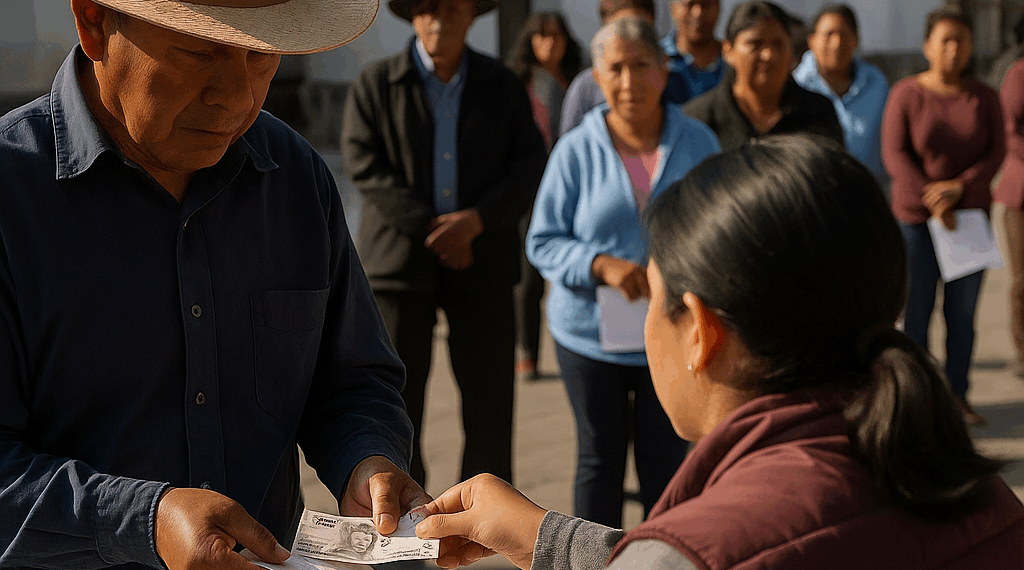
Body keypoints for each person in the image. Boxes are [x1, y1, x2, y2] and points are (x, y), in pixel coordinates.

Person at [413, 135, 1024, 570]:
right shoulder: (983, 497)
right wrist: (543, 537)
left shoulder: (699, 547)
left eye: (655, 296)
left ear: (700, 331)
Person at [0, 0, 426, 568]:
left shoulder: (295, 180)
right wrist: (144, 521)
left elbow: (351, 377)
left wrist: (367, 457)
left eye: (262, 55)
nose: (237, 96)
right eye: (198, 53)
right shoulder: (10, 197)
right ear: (94, 23)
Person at [341, 0, 547, 488]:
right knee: (393, 405)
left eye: (451, 8)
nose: (439, 19)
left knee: (490, 403)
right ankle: (401, 532)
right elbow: (363, 162)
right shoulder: (376, 83)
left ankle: (485, 521)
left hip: (484, 260)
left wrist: (476, 222)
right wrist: (432, 227)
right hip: (400, 264)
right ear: (412, 16)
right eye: (427, 7)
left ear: (472, 16)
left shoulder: (502, 85)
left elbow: (529, 163)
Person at [526, 17, 720, 529]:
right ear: (598, 76)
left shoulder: (699, 143)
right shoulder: (575, 150)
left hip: (675, 331)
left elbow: (723, 230)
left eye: (641, 66)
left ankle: (663, 558)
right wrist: (598, 264)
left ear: (662, 71)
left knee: (667, 463)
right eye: (616, 68)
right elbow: (542, 241)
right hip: (588, 335)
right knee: (599, 460)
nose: (630, 82)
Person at [882, 6, 1005, 425]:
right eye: (945, 40)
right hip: (916, 221)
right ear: (928, 46)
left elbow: (997, 152)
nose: (954, 50)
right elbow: (894, 153)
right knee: (914, 314)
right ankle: (916, 401)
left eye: (961, 41)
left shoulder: (984, 97)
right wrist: (931, 198)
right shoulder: (906, 93)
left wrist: (960, 189)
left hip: (969, 222)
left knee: (962, 315)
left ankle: (957, 395)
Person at [506, 11, 585, 378]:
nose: (550, 43)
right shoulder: (516, 83)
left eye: (556, 36)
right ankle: (527, 352)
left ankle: (580, 346)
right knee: (528, 279)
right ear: (530, 41)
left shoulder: (580, 83)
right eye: (542, 36)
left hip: (577, 187)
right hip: (531, 190)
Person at [683, 1, 844, 152]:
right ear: (728, 51)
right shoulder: (698, 122)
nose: (768, 55)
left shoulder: (818, 113)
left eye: (778, 44)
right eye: (755, 44)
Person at [793, 3, 889, 187]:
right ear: (811, 40)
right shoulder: (796, 85)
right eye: (829, 34)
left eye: (844, 34)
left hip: (869, 195)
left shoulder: (876, 83)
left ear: (856, 40)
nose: (837, 43)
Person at [558, 0, 674, 136]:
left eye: (641, 29)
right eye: (620, 28)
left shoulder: (674, 81)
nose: (628, 83)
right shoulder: (585, 88)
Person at [996, 58, 1024, 376]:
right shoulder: (1019, 73)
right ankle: (1023, 352)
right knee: (1022, 281)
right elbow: (1009, 131)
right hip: (1021, 196)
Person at [659, 0, 726, 103]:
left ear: (718, 7)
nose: (698, 13)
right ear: (673, 8)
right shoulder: (655, 59)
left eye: (705, 5)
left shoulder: (734, 59)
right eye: (689, 4)